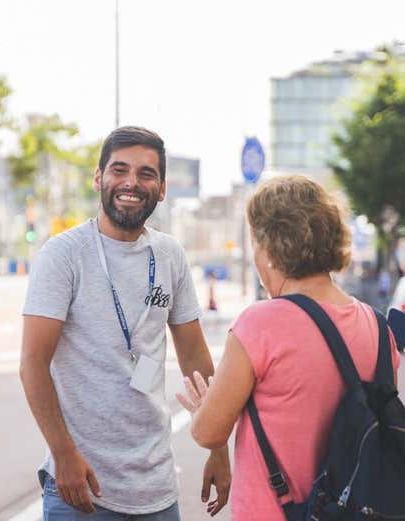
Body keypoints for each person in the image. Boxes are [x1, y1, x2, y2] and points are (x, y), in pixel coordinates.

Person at [20, 126, 230, 520]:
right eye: (119, 170)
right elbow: (33, 363)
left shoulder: (169, 255)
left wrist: (219, 447)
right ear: (99, 178)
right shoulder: (63, 255)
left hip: (157, 491)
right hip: (80, 488)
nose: (131, 182)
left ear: (162, 187)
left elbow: (195, 356)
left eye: (146, 173)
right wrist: (63, 455)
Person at [176, 175, 400, 520]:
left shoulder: (262, 324)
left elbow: (209, 431)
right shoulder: (377, 326)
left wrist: (199, 410)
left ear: (268, 250)